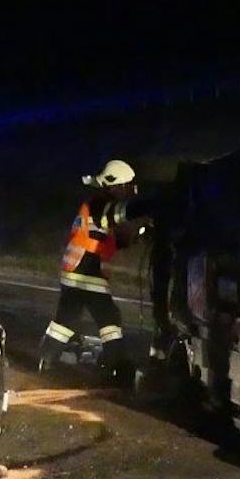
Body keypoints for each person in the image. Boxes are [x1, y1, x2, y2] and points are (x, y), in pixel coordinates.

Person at [39, 159, 148, 385]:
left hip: (77, 273)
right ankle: (115, 367)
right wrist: (149, 208)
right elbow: (119, 215)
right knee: (109, 320)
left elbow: (110, 240)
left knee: (65, 320)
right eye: (126, 187)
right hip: (87, 276)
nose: (128, 192)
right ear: (115, 185)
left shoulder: (96, 205)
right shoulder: (101, 204)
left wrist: (138, 234)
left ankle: (46, 360)